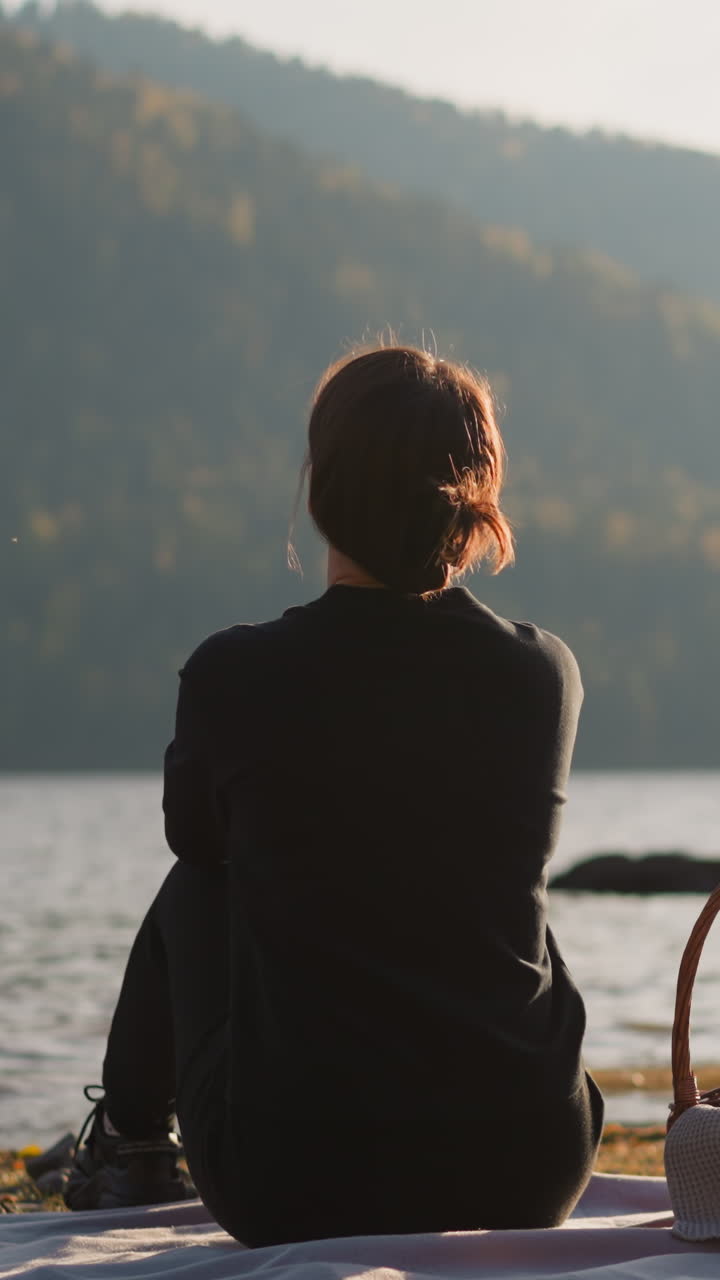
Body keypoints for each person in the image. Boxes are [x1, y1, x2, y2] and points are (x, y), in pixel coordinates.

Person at [64, 345, 603, 1244]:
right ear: (477, 498)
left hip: (297, 1182)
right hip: (530, 1169)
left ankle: (129, 1147)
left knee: (200, 884)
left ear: (321, 490)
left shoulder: (234, 673)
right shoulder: (543, 672)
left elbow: (196, 843)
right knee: (500, 888)